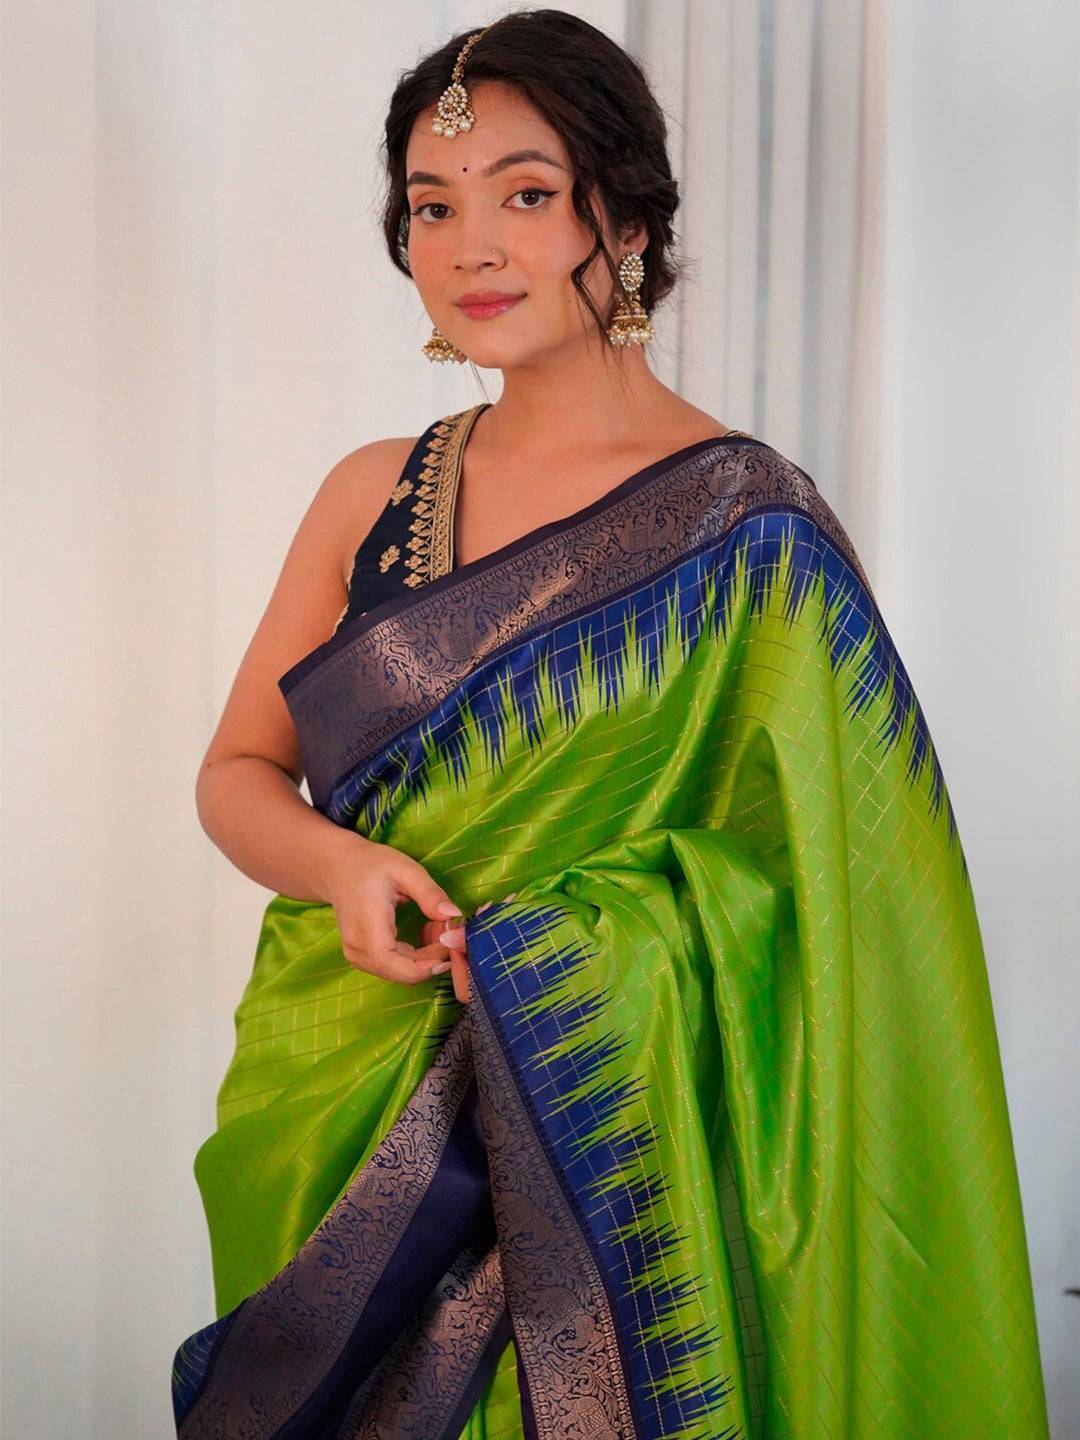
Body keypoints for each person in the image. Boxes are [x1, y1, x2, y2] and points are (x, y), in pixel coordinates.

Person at [171, 12, 1050, 1438]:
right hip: (359, 1121)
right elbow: (237, 773)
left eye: (526, 194)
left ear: (624, 218)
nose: (472, 247)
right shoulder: (370, 497)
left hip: (632, 1156)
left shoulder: (747, 529)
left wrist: (573, 959)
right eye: (432, 207)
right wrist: (345, 870)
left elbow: (857, 904)